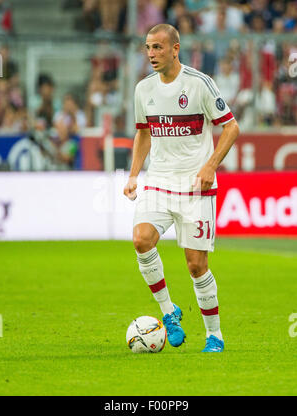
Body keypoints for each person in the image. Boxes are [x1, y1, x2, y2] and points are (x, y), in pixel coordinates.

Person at [123, 23, 239, 352]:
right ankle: (168, 311)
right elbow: (143, 132)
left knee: (195, 265)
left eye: (158, 48)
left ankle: (214, 334)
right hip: (159, 180)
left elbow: (231, 127)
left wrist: (210, 166)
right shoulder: (143, 89)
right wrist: (133, 174)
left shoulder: (200, 84)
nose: (151, 54)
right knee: (141, 240)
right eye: (147, 48)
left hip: (195, 186)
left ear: (175, 48)